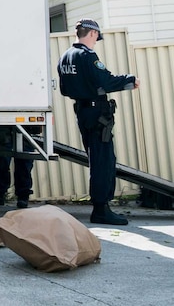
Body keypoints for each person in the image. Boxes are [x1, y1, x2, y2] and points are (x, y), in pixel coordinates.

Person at [57, 19, 139, 226]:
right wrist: (130, 80)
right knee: (103, 160)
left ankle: (101, 207)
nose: (96, 42)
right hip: (96, 113)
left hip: (82, 111)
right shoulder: (87, 55)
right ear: (92, 34)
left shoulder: (65, 57)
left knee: (96, 158)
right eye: (97, 37)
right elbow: (106, 81)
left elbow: (65, 90)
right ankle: (101, 209)